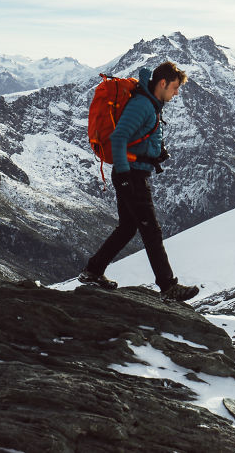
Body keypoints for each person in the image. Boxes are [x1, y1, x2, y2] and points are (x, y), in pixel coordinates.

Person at [79, 61, 199, 301]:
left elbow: (135, 137)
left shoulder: (149, 103)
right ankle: (168, 286)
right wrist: (124, 176)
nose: (176, 93)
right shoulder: (143, 105)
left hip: (132, 173)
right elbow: (119, 136)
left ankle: (93, 271)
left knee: (127, 228)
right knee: (151, 230)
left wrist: (152, 152)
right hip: (131, 176)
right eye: (175, 88)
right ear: (162, 83)